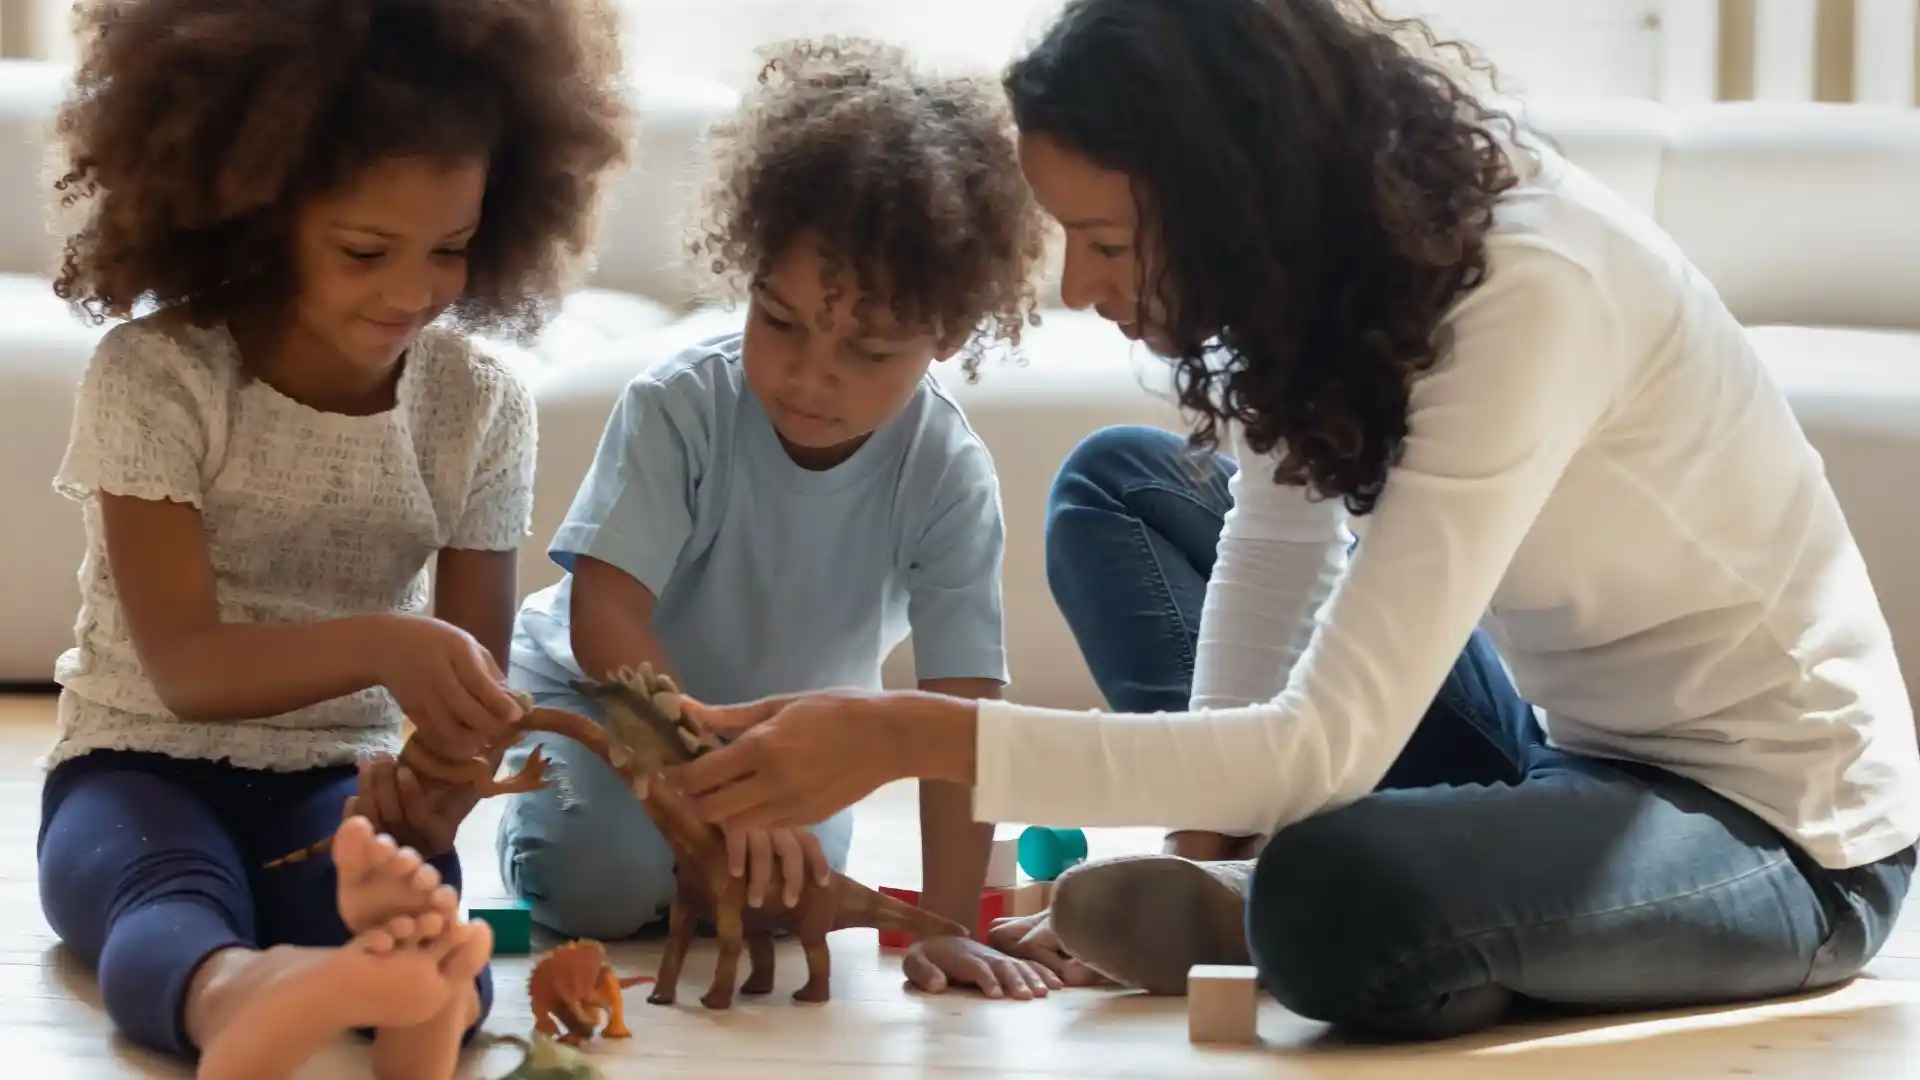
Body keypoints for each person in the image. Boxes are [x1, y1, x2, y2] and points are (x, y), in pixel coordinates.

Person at [663, 0, 1920, 1041]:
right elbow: (1273, 559)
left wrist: (911, 734)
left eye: (1104, 240)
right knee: (1122, 487)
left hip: (1781, 835)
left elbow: (1322, 746)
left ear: (1230, 198)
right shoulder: (1339, 270)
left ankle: (1341, 906)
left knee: (1333, 896)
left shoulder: (1529, 291)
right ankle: (1315, 895)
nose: (1078, 286)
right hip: (1559, 751)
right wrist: (1185, 853)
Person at [34, 1, 630, 1077]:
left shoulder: (481, 406)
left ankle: (401, 997)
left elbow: (471, 689)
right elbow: (185, 668)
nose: (412, 291)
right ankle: (241, 993)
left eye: (450, 249)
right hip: (135, 766)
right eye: (364, 250)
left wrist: (446, 780)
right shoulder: (156, 378)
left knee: (430, 920)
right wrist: (385, 648)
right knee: (158, 899)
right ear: (260, 215)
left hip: (337, 785)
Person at [495, 37, 1060, 1000]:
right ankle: (562, 834)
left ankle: (702, 850)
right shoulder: (681, 406)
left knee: (771, 900)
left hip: (790, 748)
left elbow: (961, 714)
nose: (809, 376)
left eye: (867, 348)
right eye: (780, 320)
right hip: (615, 705)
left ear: (948, 335)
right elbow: (605, 619)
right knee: (599, 885)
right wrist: (702, 774)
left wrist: (947, 925)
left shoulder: (948, 473)